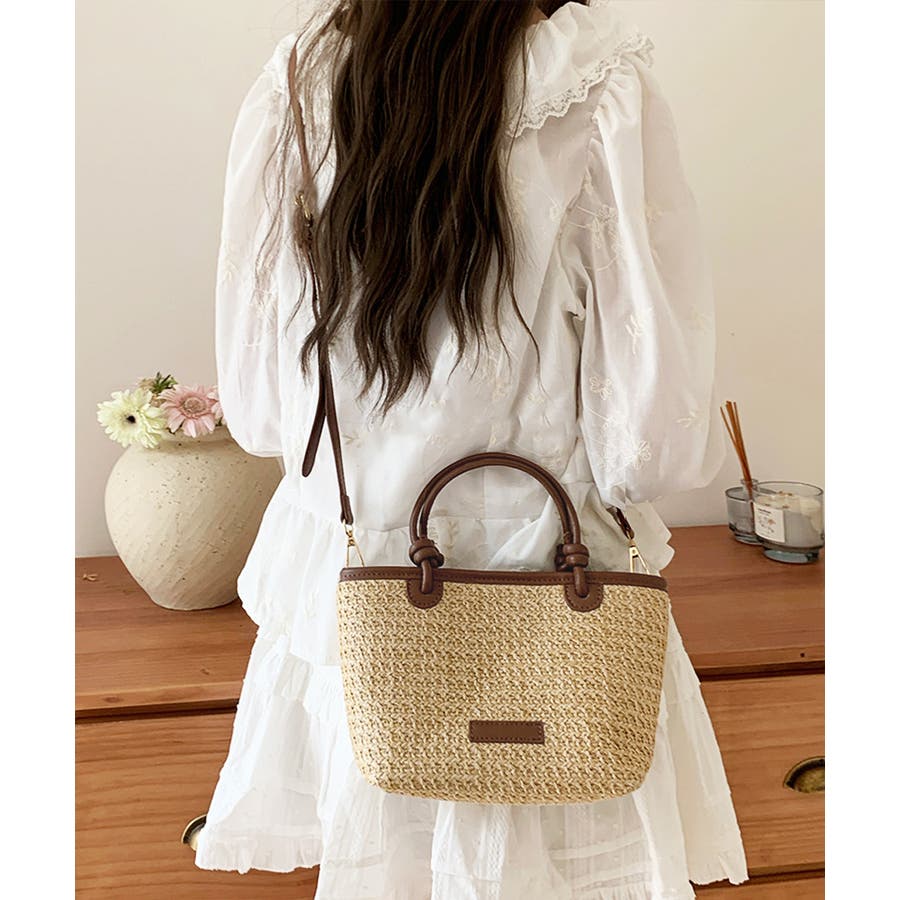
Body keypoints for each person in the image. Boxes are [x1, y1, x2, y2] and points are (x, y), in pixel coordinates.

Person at [195, 1, 749, 896]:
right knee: (565, 804)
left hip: (355, 564)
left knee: (385, 815)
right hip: (557, 559)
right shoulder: (599, 83)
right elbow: (647, 395)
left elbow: (266, 386)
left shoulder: (302, 78)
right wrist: (634, 466)